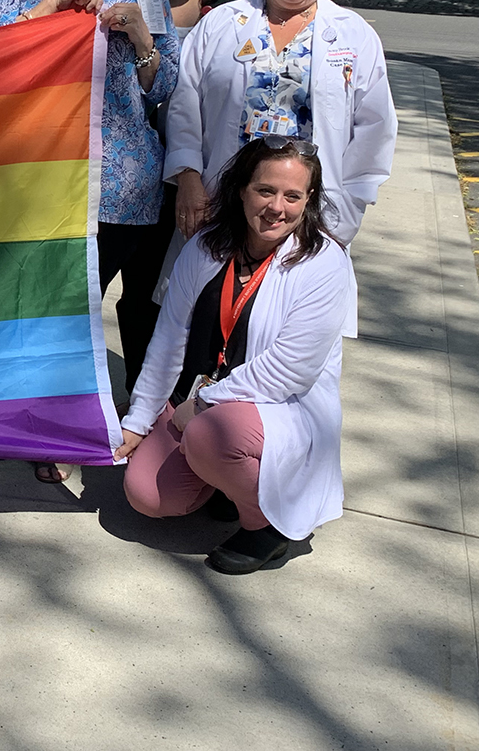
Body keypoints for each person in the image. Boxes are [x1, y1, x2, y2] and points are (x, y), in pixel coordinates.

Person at [0, 0, 179, 483]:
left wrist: (142, 39)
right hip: (35, 174)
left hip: (120, 183)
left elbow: (163, 89)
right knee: (19, 305)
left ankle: (58, 429)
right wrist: (52, 8)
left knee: (82, 313)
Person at [116, 138, 351, 575]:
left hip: (275, 408)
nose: (276, 207)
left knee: (211, 434)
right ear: (241, 189)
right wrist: (138, 421)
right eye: (265, 190)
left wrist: (202, 404)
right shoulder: (206, 247)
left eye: (292, 195)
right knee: (146, 495)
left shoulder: (324, 263)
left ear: (309, 200)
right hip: (202, 404)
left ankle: (269, 528)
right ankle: (225, 482)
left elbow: (290, 371)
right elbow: (167, 340)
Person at [164, 0, 397, 256]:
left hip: (311, 219)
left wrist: (346, 213)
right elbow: (185, 105)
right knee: (210, 303)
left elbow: (375, 129)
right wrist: (189, 178)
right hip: (220, 207)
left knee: (295, 307)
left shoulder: (354, 37)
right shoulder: (221, 24)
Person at [112, 0, 242, 391]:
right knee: (139, 292)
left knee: (195, 292)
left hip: (206, 178)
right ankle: (141, 396)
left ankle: (183, 395)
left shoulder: (237, 14)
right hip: (140, 170)